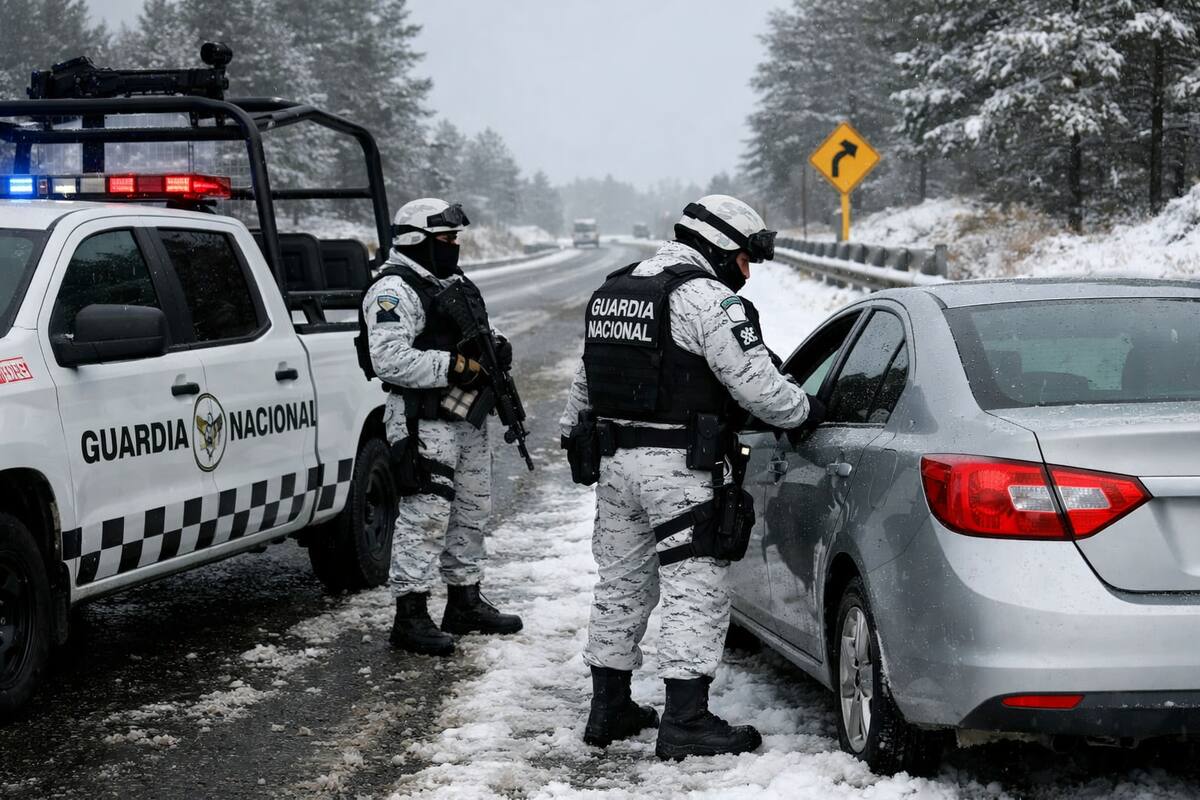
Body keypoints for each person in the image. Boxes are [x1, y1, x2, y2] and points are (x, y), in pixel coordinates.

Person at [560, 195, 824, 759]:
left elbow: (586, 379)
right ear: (720, 247)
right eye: (745, 259)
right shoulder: (707, 300)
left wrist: (571, 433)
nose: (747, 272)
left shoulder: (614, 290)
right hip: (680, 468)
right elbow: (757, 387)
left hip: (615, 463)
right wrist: (806, 412)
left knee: (621, 583)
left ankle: (608, 709)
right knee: (693, 587)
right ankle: (685, 720)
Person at [360, 198, 522, 656]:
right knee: (426, 515)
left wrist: (496, 347)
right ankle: (410, 613)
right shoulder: (394, 290)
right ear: (418, 240)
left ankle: (464, 600)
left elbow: (476, 332)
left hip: (464, 416)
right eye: (446, 239)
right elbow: (387, 358)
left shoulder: (452, 282)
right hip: (421, 418)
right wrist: (453, 365)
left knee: (472, 508)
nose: (454, 246)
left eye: (455, 239)